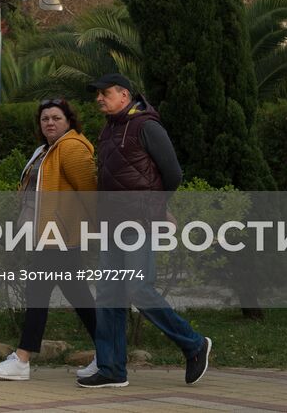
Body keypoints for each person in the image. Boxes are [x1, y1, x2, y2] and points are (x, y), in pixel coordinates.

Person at [77, 73, 212, 390]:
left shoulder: (146, 126)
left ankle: (194, 344)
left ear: (124, 94)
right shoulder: (109, 130)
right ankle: (112, 369)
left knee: (139, 289)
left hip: (138, 222)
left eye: (104, 92)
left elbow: (174, 173)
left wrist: (157, 207)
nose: (99, 98)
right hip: (111, 224)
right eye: (97, 93)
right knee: (109, 295)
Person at [0, 99, 101, 382]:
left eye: (56, 117)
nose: (50, 122)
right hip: (45, 235)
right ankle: (109, 350)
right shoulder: (45, 150)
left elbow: (90, 192)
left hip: (59, 236)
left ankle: (22, 359)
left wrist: (99, 229)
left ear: (69, 121)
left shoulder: (72, 148)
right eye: (45, 118)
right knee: (78, 296)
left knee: (37, 293)